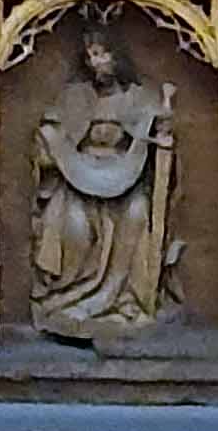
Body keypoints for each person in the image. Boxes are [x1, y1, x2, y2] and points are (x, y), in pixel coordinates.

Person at [27, 25, 181, 341]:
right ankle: (69, 299)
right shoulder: (74, 97)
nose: (96, 63)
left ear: (117, 57)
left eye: (101, 54)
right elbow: (50, 142)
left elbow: (156, 140)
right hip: (78, 178)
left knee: (138, 213)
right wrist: (52, 146)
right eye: (90, 57)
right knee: (74, 226)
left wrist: (160, 136)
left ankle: (124, 299)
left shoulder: (139, 98)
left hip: (126, 177)